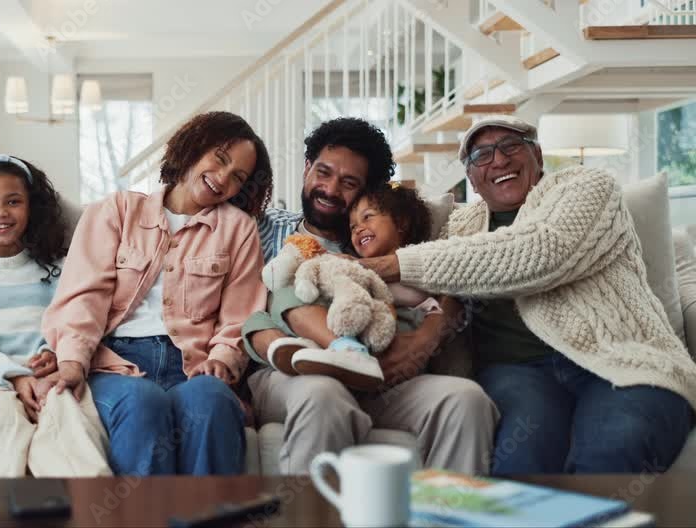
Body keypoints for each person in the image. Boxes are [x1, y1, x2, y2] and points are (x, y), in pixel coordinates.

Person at [360, 115, 696, 474]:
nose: (499, 160)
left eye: (511, 146)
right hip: (517, 373)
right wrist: (427, 334)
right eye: (482, 155)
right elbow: (451, 290)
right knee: (520, 462)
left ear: (537, 155)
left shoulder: (587, 186)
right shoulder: (460, 226)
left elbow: (541, 252)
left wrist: (389, 264)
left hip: (618, 356)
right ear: (471, 177)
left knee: (612, 450)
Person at [242, 117, 498, 475]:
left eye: (349, 183)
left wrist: (425, 337)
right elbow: (242, 308)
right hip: (294, 373)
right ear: (306, 169)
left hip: (380, 376)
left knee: (465, 400)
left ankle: (445, 517)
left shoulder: (377, 243)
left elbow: (452, 288)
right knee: (323, 394)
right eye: (323, 172)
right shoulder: (262, 229)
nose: (330, 189)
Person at [42, 111, 273, 475]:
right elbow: (84, 296)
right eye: (220, 159)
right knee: (143, 402)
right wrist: (71, 362)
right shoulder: (117, 211)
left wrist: (223, 360)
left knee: (212, 401)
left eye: (238, 177)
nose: (223, 178)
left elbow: (240, 316)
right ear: (193, 146)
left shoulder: (239, 229)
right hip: (116, 362)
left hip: (193, 365)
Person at [0, 154, 111, 478]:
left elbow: (73, 321)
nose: (0, 213)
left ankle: (86, 508)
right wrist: (15, 377)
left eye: (13, 202)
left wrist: (55, 355)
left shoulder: (59, 267)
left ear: (31, 207)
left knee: (63, 411)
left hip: (52, 373)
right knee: (2, 418)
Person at [257, 183, 447, 389]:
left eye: (368, 217)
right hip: (349, 332)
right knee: (258, 316)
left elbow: (424, 298)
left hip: (387, 342)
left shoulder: (420, 266)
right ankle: (313, 349)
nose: (359, 229)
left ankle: (335, 351)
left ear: (401, 222)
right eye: (353, 226)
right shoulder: (352, 264)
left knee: (281, 300)